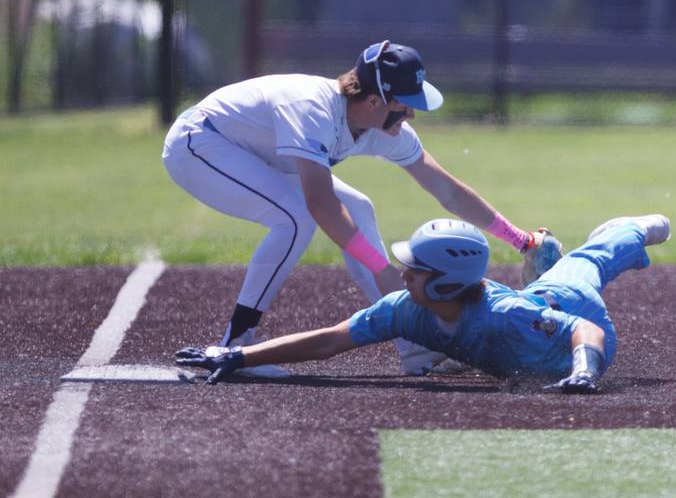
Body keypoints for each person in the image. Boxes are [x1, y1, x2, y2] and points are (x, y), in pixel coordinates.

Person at [162, 40, 562, 378]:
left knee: (361, 207)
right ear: (374, 101)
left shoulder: (381, 126)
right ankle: (236, 344)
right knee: (295, 220)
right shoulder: (313, 110)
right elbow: (322, 206)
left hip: (254, 153)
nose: (411, 114)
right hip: (199, 143)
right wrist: (381, 268)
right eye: (405, 104)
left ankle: (414, 346)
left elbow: (447, 190)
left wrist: (520, 239)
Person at [176, 214, 671, 393]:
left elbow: (587, 332)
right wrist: (238, 355)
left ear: (444, 285)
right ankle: (544, 256)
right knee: (547, 280)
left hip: (571, 307)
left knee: (586, 267)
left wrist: (585, 371)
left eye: (415, 269)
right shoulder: (403, 309)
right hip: (531, 314)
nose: (403, 273)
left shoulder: (505, 314)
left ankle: (629, 230)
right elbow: (330, 340)